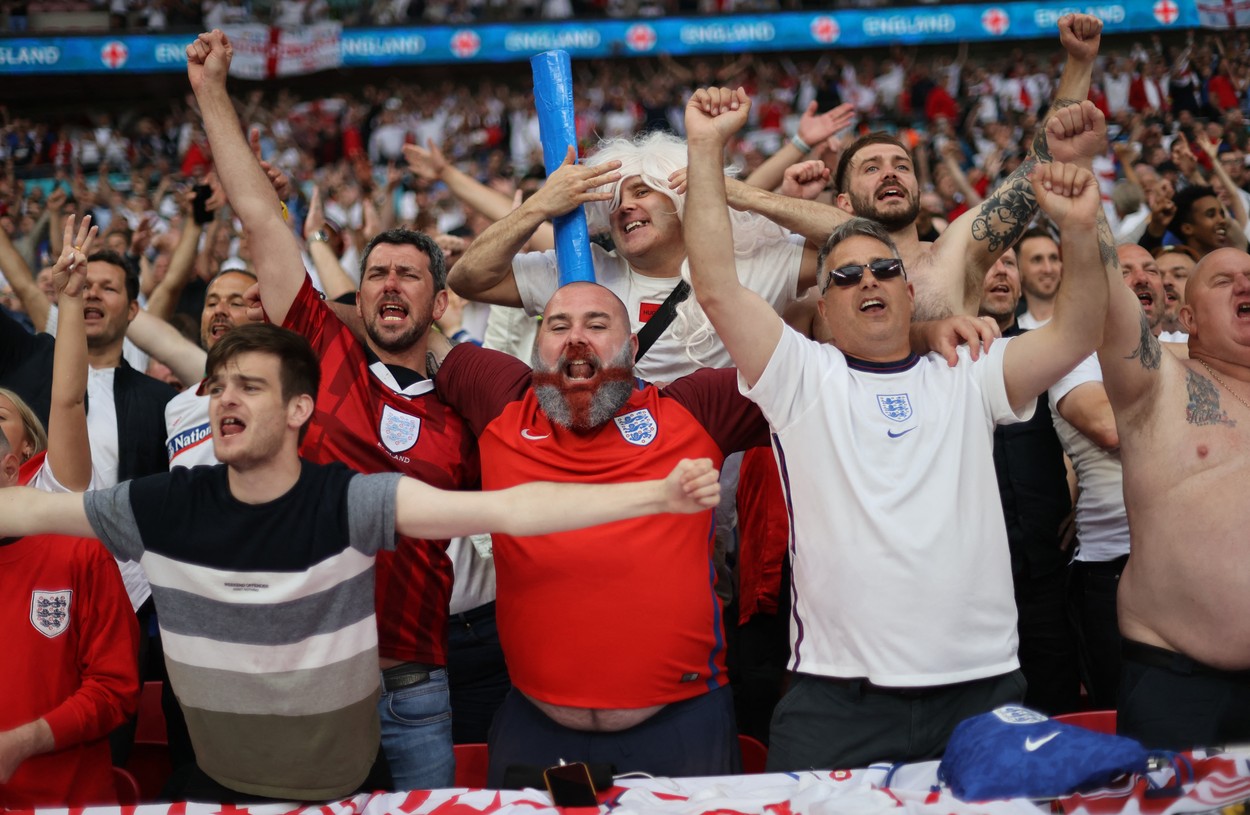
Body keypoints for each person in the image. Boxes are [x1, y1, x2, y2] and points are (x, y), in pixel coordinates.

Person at [0, 321, 721, 803]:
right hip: (219, 783)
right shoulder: (165, 505)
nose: (224, 398)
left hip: (348, 787)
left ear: (298, 411)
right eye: (217, 386)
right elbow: (29, 510)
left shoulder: (351, 502)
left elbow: (511, 510)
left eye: (248, 386)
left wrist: (655, 493)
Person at [683, 88, 1111, 770]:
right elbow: (715, 285)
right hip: (836, 701)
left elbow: (1079, 331)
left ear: (911, 290)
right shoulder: (800, 378)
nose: (869, 280)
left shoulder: (970, 368)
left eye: (885, 269)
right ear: (823, 303)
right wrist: (706, 149)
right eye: (847, 274)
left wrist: (1082, 231)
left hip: (983, 691)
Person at [186, 29, 493, 785]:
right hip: (309, 683)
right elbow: (261, 220)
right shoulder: (322, 354)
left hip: (418, 685)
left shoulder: (466, 416)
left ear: (442, 299)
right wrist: (211, 93)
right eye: (376, 272)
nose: (390, 284)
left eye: (409, 275)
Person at [431, 280, 770, 784]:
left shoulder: (696, 408)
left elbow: (819, 373)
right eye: (559, 325)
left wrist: (926, 329)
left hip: (683, 724)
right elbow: (406, 334)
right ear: (536, 346)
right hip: (534, 725)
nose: (576, 338)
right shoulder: (502, 398)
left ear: (633, 348)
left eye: (597, 324)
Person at [716, 14, 1103, 321]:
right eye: (871, 168)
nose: (890, 173)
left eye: (902, 166)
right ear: (844, 202)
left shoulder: (957, 252)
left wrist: (1080, 63)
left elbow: (1042, 162)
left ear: (916, 187)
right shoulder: (817, 277)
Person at [0, 227, 140, 809]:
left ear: (21, 453)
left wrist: (67, 299)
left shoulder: (58, 508)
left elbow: (67, 400)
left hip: (65, 797)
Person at [1097, 244, 1250, 748]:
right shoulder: (1159, 380)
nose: (1245, 285)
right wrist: (1081, 222)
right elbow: (1108, 304)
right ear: (1187, 317)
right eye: (1225, 281)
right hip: (1182, 688)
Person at [1048, 243, 1166, 709]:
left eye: (1151, 270)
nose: (1142, 278)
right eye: (1125, 270)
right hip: (1113, 572)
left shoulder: (1188, 354)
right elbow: (1113, 430)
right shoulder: (1074, 359)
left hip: (1189, 565)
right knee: (1130, 719)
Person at [978, 246, 1081, 715]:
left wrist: (1084, 498)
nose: (1001, 272)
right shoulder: (933, 359)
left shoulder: (1047, 353)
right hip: (974, 579)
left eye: (1009, 264)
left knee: (1054, 705)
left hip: (1046, 570)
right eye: (987, 262)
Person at [1015, 229, 1063, 329]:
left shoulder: (1082, 321)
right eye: (1037, 260)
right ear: (1018, 270)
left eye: (1053, 258)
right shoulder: (1010, 334)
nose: (1048, 269)